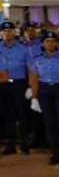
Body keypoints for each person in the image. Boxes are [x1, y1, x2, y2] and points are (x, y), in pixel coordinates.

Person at [28, 30, 59, 165]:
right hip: (44, 91)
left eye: (53, 41)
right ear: (42, 44)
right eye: (47, 41)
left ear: (57, 43)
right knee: (49, 124)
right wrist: (34, 98)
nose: (50, 44)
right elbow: (35, 79)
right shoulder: (37, 60)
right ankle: (54, 154)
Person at [0, 21, 31, 155]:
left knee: (22, 114)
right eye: (4, 31)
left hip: (19, 83)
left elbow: (30, 69)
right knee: (7, 115)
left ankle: (24, 144)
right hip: (2, 84)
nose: (7, 33)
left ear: (14, 32)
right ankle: (10, 144)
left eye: (10, 31)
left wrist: (30, 86)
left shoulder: (23, 49)